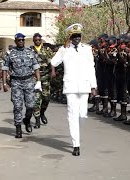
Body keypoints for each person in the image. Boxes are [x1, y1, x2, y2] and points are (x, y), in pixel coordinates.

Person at [50, 23, 97, 156]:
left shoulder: (87, 49)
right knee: (72, 115)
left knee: (82, 115)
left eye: (79, 36)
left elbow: (91, 68)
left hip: (84, 86)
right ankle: (76, 144)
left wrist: (94, 86)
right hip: (70, 87)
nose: (77, 38)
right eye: (74, 36)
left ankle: (76, 135)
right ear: (70, 37)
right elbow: (53, 62)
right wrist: (62, 50)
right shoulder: (64, 49)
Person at [1, 33, 41, 138]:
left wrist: (39, 81)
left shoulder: (30, 52)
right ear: (15, 41)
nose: (21, 42)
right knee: (18, 106)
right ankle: (18, 127)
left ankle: (27, 120)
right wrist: (4, 83)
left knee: (31, 106)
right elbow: (4, 69)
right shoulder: (10, 53)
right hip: (16, 82)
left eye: (22, 40)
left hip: (29, 81)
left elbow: (36, 67)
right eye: (19, 40)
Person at [30, 33, 56, 128]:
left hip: (45, 76)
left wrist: (53, 71)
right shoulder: (30, 51)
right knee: (36, 99)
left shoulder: (47, 49)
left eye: (39, 40)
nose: (37, 41)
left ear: (41, 40)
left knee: (46, 98)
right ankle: (37, 120)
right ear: (33, 41)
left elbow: (52, 61)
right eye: (35, 40)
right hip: (34, 78)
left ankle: (42, 113)